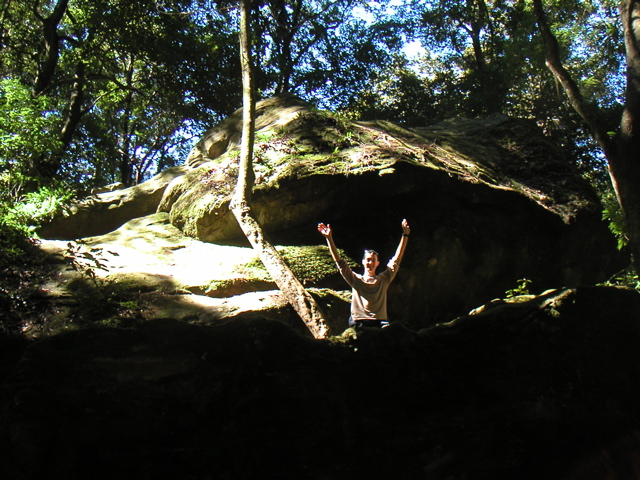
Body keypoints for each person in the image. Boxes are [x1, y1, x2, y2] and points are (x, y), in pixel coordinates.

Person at [317, 219, 410, 328]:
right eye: (368, 260)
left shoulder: (384, 279)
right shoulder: (356, 279)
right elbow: (340, 263)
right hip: (359, 321)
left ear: (377, 263)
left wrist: (405, 235)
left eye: (373, 260)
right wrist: (329, 238)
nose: (370, 263)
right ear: (363, 262)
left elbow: (396, 259)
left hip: (379, 322)